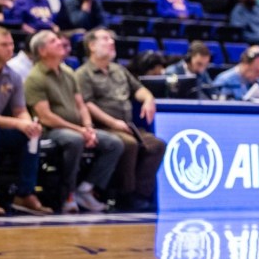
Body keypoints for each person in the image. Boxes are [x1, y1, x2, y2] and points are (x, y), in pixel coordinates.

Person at [24, 30, 125, 213]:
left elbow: (81, 105)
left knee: (114, 143)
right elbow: (46, 117)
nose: (61, 42)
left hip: (77, 128)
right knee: (74, 140)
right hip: (51, 130)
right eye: (54, 41)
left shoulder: (69, 72)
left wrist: (88, 127)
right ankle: (67, 196)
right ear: (42, 50)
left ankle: (86, 189)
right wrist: (79, 130)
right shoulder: (34, 78)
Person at [77, 29, 165, 212]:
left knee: (156, 145)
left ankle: (140, 194)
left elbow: (139, 89)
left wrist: (148, 99)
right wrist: (112, 123)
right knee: (128, 143)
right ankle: (123, 194)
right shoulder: (84, 73)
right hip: (103, 126)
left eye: (112, 38)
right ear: (91, 46)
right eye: (105, 39)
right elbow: (87, 104)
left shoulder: (119, 70)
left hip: (127, 125)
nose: (111, 42)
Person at [0, 26, 49, 216]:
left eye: (11, 44)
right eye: (4, 45)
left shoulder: (13, 76)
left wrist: (28, 124)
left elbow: (20, 110)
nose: (10, 48)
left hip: (0, 128)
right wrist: (19, 123)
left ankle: (25, 193)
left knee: (30, 135)